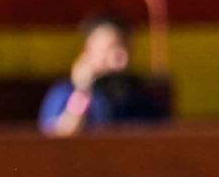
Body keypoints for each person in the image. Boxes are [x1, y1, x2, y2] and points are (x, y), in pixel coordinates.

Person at [38, 13, 169, 132]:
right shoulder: (64, 94)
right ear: (88, 52)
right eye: (111, 49)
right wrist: (82, 93)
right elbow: (60, 137)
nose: (122, 57)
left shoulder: (141, 97)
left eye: (126, 48)